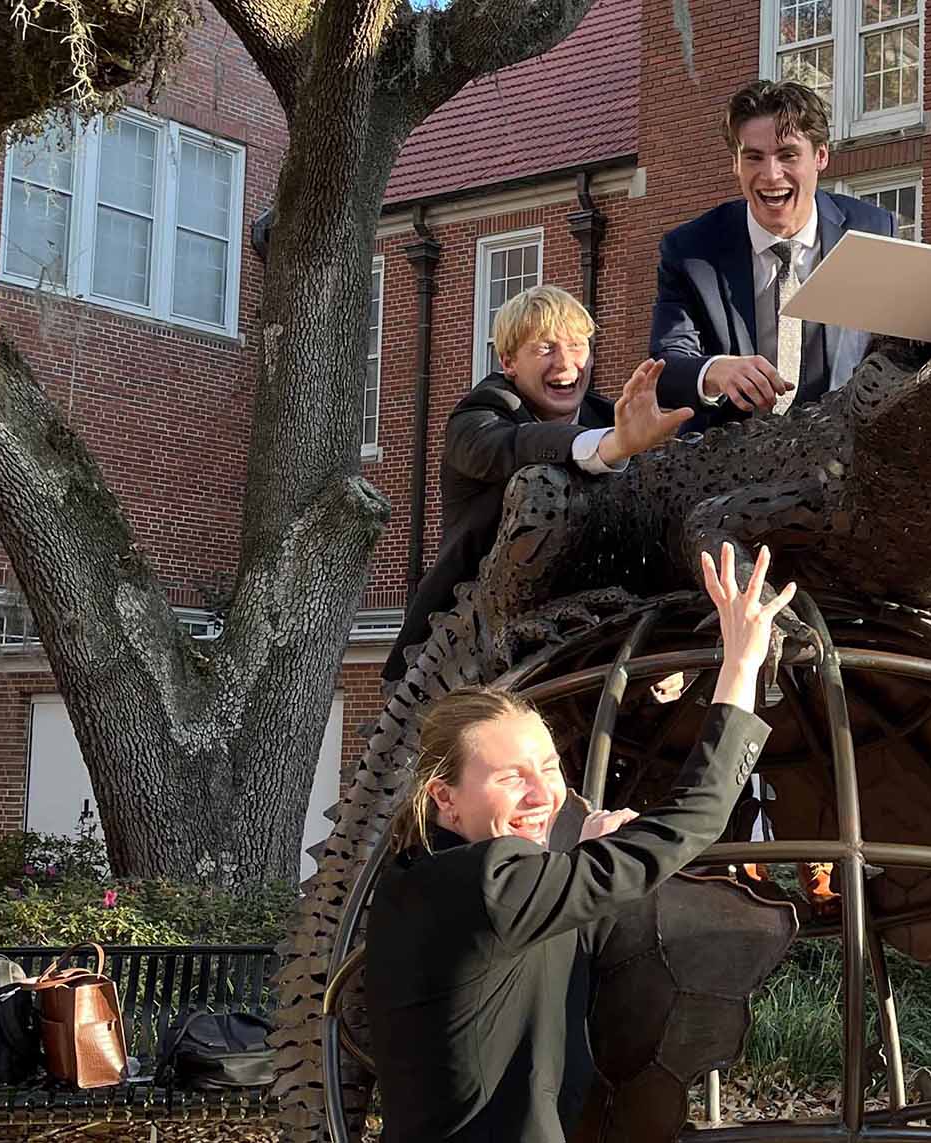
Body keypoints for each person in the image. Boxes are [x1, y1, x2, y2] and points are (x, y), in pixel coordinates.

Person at [365, 543, 793, 1143]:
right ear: (445, 798)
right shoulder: (491, 883)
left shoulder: (423, 880)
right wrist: (741, 664)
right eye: (512, 777)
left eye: (549, 766)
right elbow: (690, 821)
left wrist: (580, 859)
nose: (546, 794)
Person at [384, 285, 691, 683]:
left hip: (590, 637)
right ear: (508, 361)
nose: (566, 363)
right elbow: (518, 446)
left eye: (578, 346)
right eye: (545, 348)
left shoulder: (610, 416)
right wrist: (611, 446)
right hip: (467, 648)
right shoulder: (478, 416)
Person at [648, 79, 896, 430]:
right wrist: (715, 371)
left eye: (788, 155)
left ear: (821, 156)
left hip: (842, 446)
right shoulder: (690, 251)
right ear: (735, 164)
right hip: (730, 458)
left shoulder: (872, 229)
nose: (770, 175)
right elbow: (665, 368)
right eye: (754, 157)